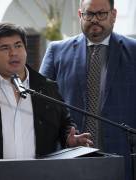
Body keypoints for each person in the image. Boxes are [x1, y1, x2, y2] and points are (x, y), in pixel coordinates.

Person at [0, 22, 93, 169]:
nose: (13, 53)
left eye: (18, 46)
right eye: (5, 48)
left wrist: (70, 139)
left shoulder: (46, 87)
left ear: (25, 49)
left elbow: (65, 124)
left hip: (40, 174)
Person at [39, 0, 136, 179]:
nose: (95, 20)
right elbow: (40, 106)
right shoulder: (56, 51)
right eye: (89, 14)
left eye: (101, 14)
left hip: (122, 161)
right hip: (70, 159)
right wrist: (63, 136)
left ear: (113, 15)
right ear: (80, 15)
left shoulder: (133, 51)